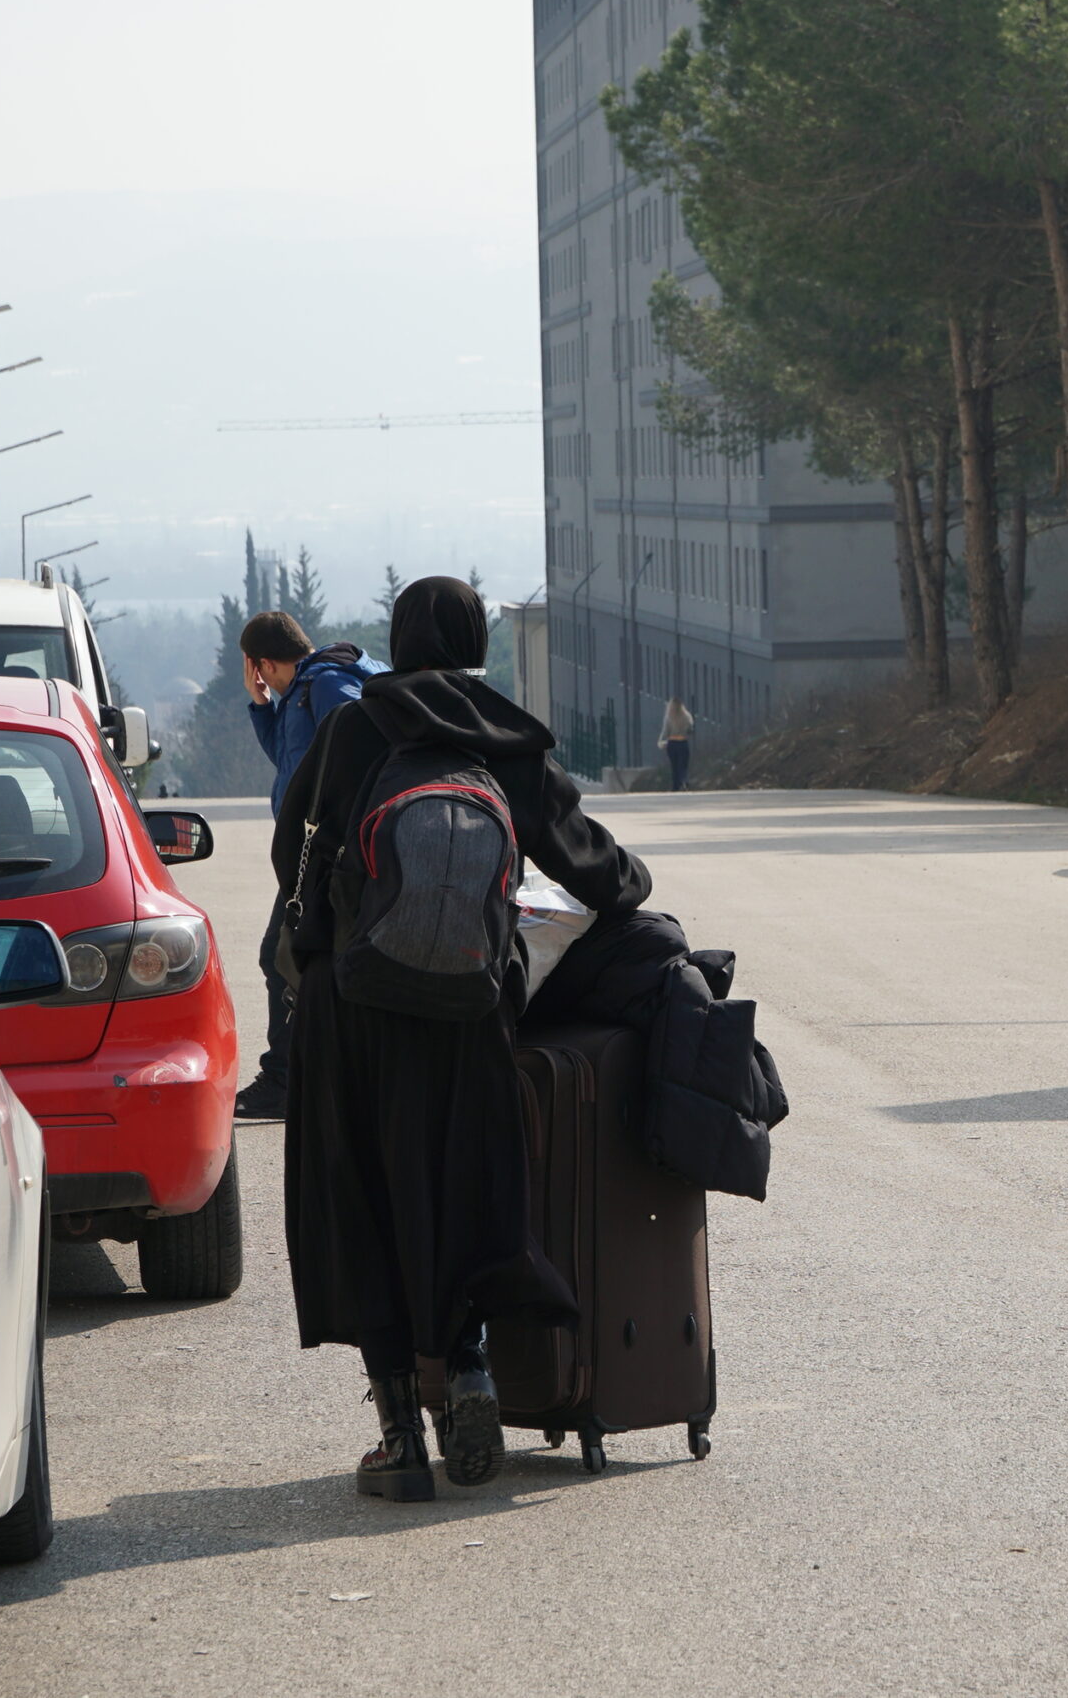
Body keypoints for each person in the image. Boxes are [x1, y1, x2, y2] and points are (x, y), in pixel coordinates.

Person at [274, 576, 652, 1500]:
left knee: (363, 1193)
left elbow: (295, 855)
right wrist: (634, 885)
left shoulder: (354, 728)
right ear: (477, 636)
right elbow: (592, 866)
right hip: (467, 1006)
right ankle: (470, 1373)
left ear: (396, 640)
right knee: (466, 1186)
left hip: (351, 1006)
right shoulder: (504, 733)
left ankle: (399, 1436)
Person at [234, 611, 384, 1120]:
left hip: (325, 850)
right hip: (318, 848)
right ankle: (312, 1074)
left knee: (280, 956)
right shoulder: (303, 690)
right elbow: (291, 761)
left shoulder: (327, 686)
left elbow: (356, 753)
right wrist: (263, 706)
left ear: (262, 663)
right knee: (302, 959)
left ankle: (284, 1079)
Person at [660, 693, 694, 792]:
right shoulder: (686, 716)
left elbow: (665, 731)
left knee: (674, 766)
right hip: (682, 742)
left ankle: (675, 786)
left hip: (672, 743)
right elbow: (690, 728)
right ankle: (684, 780)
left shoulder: (669, 717)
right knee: (683, 765)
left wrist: (661, 741)